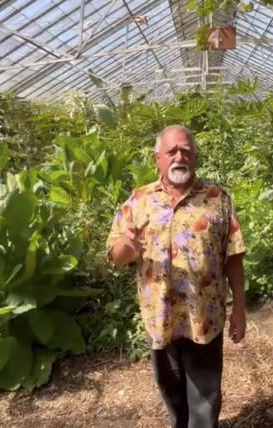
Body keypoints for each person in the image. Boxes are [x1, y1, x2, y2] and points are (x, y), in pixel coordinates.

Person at [106, 125, 247, 428]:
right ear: (158, 158)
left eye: (185, 150)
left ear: (195, 157)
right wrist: (127, 244)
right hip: (161, 318)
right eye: (171, 151)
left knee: (206, 396)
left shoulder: (217, 198)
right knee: (172, 394)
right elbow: (116, 259)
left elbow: (233, 255)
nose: (179, 156)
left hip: (204, 318)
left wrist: (239, 308)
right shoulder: (138, 200)